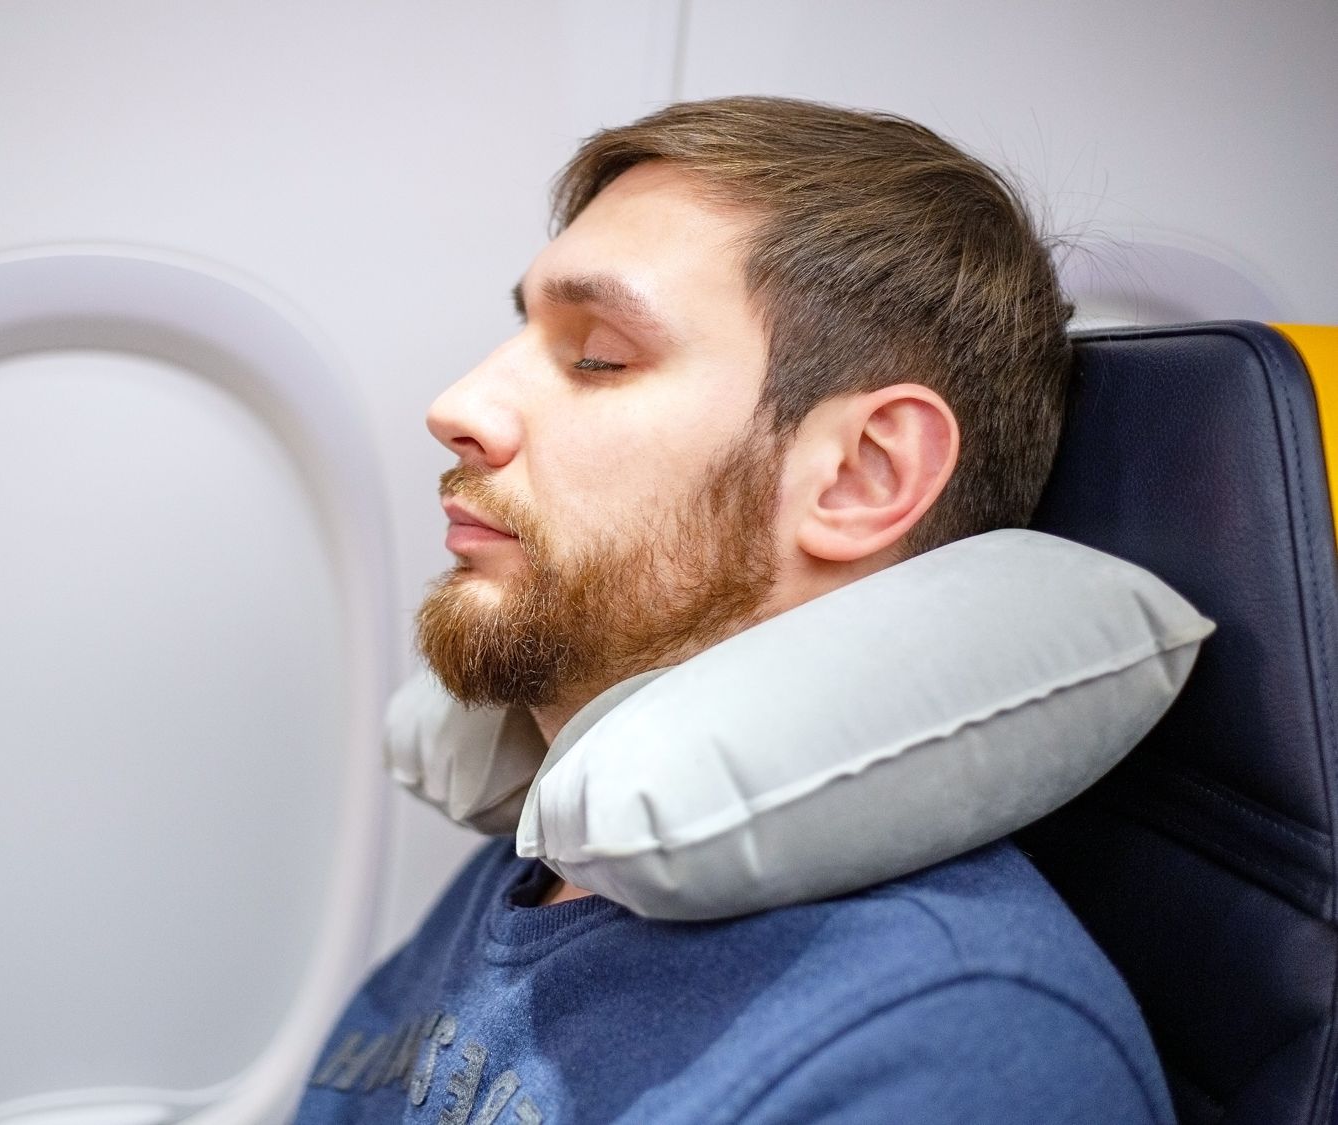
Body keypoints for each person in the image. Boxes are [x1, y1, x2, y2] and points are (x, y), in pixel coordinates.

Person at [294, 96, 1173, 1124]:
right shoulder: (557, 847)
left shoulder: (953, 1049)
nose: (458, 407)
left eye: (598, 354)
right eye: (522, 328)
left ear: (861, 474)